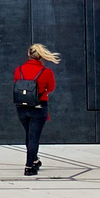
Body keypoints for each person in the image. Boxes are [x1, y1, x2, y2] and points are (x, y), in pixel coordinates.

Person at [14, 43, 59, 175]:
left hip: (21, 107)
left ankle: (34, 160)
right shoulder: (46, 72)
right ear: (41, 56)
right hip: (38, 107)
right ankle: (29, 166)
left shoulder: (19, 70)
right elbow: (51, 88)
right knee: (34, 137)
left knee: (29, 135)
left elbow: (17, 84)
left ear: (29, 54)